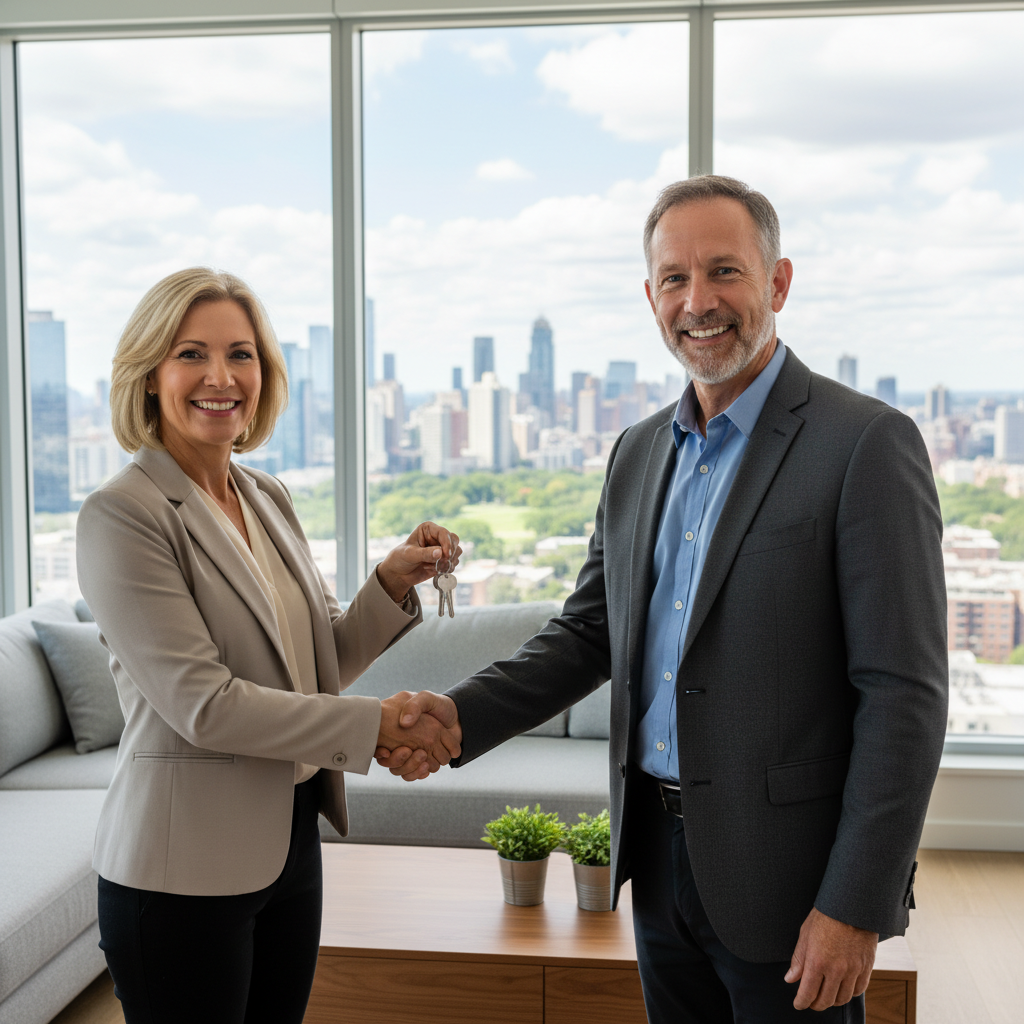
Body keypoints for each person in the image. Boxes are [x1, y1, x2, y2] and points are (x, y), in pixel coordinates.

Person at [377, 176, 948, 1023]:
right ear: (651, 297)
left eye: (725, 272)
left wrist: (856, 906)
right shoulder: (639, 452)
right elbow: (587, 634)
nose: (699, 301)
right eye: (675, 279)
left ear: (778, 283)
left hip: (793, 884)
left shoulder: (864, 444)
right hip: (658, 862)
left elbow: (904, 697)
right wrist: (458, 718)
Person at [76, 267, 462, 1024]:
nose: (220, 377)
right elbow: (205, 705)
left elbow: (315, 662)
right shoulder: (123, 515)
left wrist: (387, 583)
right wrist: (371, 726)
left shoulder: (264, 495)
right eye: (191, 354)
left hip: (288, 844)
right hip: (178, 870)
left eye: (241, 355)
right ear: (150, 376)